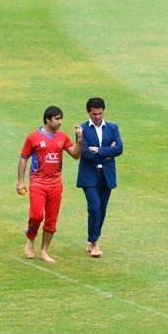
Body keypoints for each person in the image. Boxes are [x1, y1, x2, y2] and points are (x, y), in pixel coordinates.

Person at [17, 106, 82, 262]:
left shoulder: (63, 137)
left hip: (55, 183)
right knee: (36, 215)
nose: (60, 122)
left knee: (52, 220)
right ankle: (31, 238)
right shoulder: (33, 137)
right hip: (38, 182)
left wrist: (80, 141)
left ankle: (44, 251)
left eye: (61, 118)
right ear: (48, 119)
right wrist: (20, 181)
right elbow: (24, 157)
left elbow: (75, 155)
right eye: (57, 118)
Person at [76, 97, 123, 258]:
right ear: (88, 112)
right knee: (94, 207)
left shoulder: (112, 127)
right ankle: (94, 242)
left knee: (102, 208)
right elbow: (86, 153)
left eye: (100, 113)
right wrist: (106, 153)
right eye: (94, 114)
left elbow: (119, 149)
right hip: (89, 175)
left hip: (106, 175)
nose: (97, 117)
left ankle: (93, 237)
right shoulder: (82, 129)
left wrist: (99, 150)